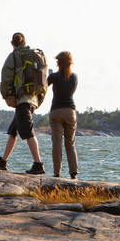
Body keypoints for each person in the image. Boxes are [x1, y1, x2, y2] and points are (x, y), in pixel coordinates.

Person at [0, 32, 46, 175]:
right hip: (33, 99)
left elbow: (6, 78)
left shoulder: (14, 56)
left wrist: (6, 95)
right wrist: (39, 99)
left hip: (23, 100)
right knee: (13, 131)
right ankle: (3, 161)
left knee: (28, 132)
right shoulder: (34, 55)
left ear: (12, 43)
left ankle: (38, 164)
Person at [47, 51, 79, 179]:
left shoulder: (54, 76)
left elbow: (44, 85)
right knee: (70, 143)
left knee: (56, 142)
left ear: (58, 62)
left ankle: (57, 172)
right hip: (70, 111)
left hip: (56, 111)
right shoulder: (74, 77)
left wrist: (49, 75)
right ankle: (73, 172)